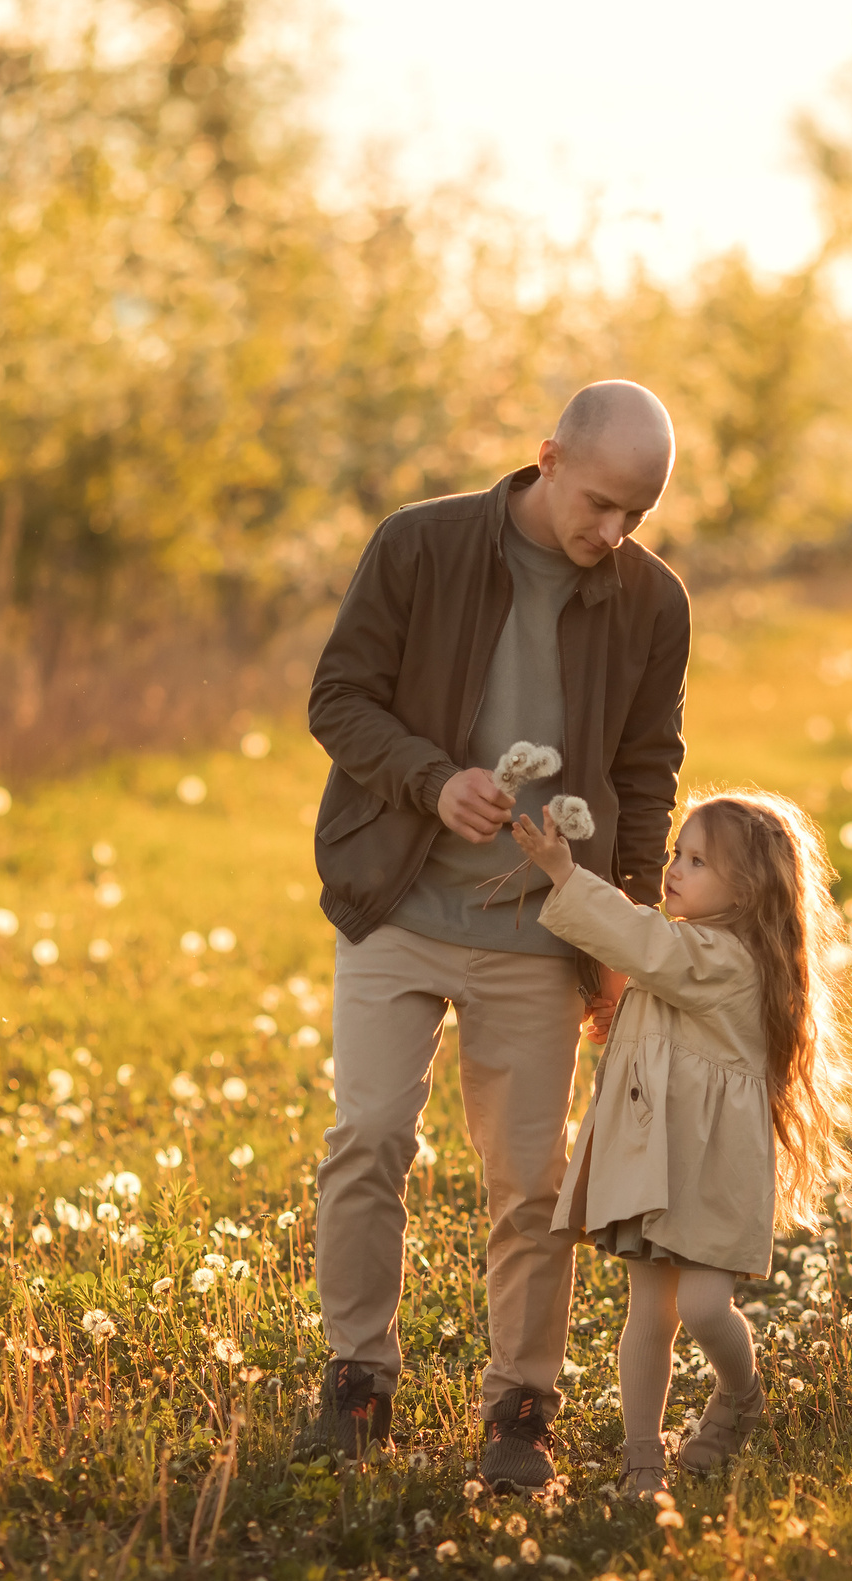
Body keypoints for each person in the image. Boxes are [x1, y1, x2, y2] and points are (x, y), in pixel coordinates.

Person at [301, 381, 691, 1490]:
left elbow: (645, 771)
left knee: (529, 1182)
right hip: (399, 898)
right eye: (602, 503)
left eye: (637, 517)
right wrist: (432, 783)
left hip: (539, 930)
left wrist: (623, 936)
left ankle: (520, 1409)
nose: (610, 534)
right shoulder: (418, 547)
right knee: (368, 1139)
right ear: (548, 456)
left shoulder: (651, 604)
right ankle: (356, 1379)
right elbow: (338, 698)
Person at [507, 788, 852, 1496]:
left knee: (701, 1306)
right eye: (678, 852)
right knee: (649, 1311)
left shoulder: (723, 958)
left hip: (708, 1165)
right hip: (655, 1159)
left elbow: (645, 944)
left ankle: (741, 1395)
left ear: (748, 887)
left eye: (697, 861)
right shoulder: (694, 949)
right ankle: (644, 1456)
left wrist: (563, 873)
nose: (674, 868)